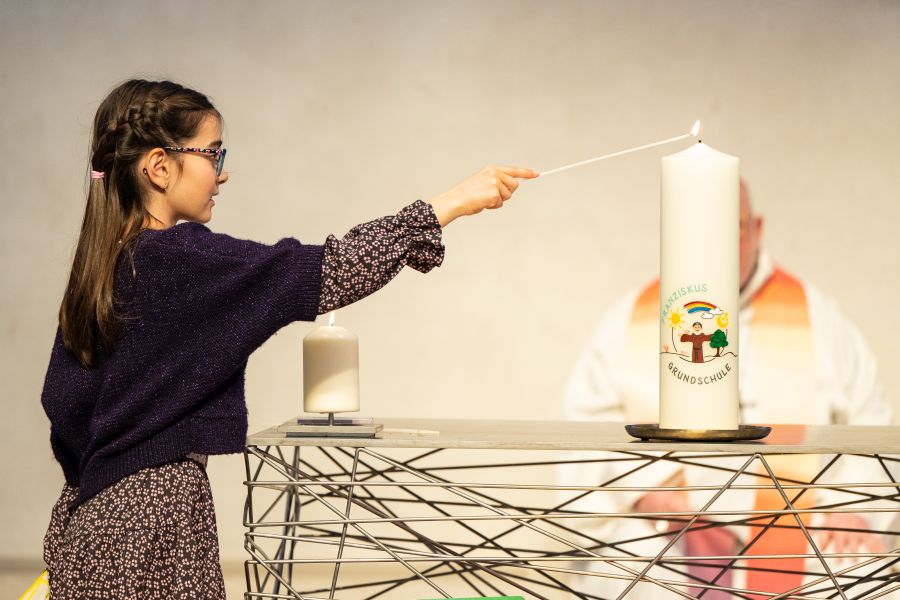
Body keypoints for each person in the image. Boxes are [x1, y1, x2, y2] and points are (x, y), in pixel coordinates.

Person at [40, 79, 538, 598]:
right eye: (213, 153)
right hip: (152, 522)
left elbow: (63, 404)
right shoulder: (178, 258)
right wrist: (450, 203)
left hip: (89, 525)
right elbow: (328, 270)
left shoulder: (103, 268)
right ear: (161, 167)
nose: (222, 171)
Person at [561, 180, 892, 598]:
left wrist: (856, 512)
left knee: (871, 580)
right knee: (622, 576)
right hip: (673, 526)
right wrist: (647, 487)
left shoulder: (821, 319)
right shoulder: (631, 317)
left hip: (802, 525)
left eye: (728, 230)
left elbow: (869, 419)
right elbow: (588, 420)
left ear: (757, 228)